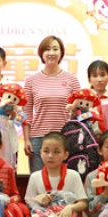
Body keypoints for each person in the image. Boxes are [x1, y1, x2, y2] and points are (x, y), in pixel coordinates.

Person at [22, 35, 81, 172]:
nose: (51, 53)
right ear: (41, 53)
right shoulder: (31, 80)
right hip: (38, 138)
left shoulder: (72, 79)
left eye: (55, 49)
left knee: (65, 179)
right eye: (47, 49)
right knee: (39, 179)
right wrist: (26, 140)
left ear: (61, 53)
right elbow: (26, 113)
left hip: (66, 137)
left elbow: (80, 110)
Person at [24, 132, 88, 217]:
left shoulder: (73, 175)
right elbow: (28, 202)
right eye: (46, 151)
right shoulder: (35, 176)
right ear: (40, 152)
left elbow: (83, 203)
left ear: (65, 155)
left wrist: (70, 208)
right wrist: (37, 199)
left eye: (56, 152)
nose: (50, 156)